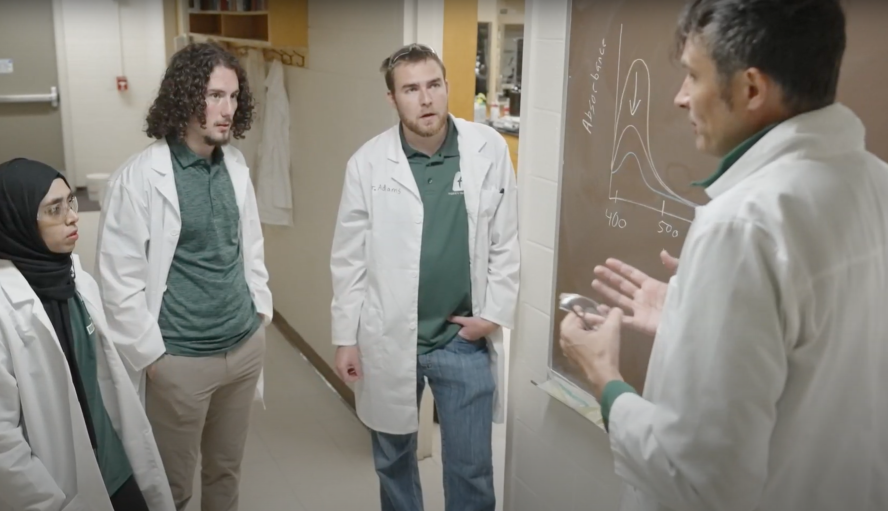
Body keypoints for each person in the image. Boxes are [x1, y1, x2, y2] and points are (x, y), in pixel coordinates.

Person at [559, 1, 888, 510]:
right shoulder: (875, 183)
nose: (680, 98)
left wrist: (605, 379)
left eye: (693, 76)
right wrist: (689, 322)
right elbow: (810, 353)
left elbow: (696, 480)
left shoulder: (741, 224)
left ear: (751, 89)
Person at [330, 43, 520, 511]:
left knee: (472, 470)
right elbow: (348, 260)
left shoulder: (487, 148)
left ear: (447, 86)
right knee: (393, 462)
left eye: (434, 85)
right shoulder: (367, 163)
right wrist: (346, 338)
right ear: (392, 99)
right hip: (390, 338)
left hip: (462, 337)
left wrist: (492, 316)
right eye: (411, 89)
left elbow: (506, 239)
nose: (426, 98)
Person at [95, 41, 271, 511]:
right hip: (180, 360)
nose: (227, 109)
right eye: (214, 96)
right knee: (169, 487)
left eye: (233, 97)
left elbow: (248, 248)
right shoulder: (139, 178)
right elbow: (118, 279)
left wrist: (259, 315)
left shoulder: (234, 164)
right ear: (185, 96)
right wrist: (155, 359)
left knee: (225, 474)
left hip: (243, 347)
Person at [0, 159, 174, 511]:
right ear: (18, 222)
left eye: (70, 202)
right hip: (55, 489)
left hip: (114, 468)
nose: (73, 216)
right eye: (54, 210)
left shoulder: (76, 280)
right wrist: (49, 502)